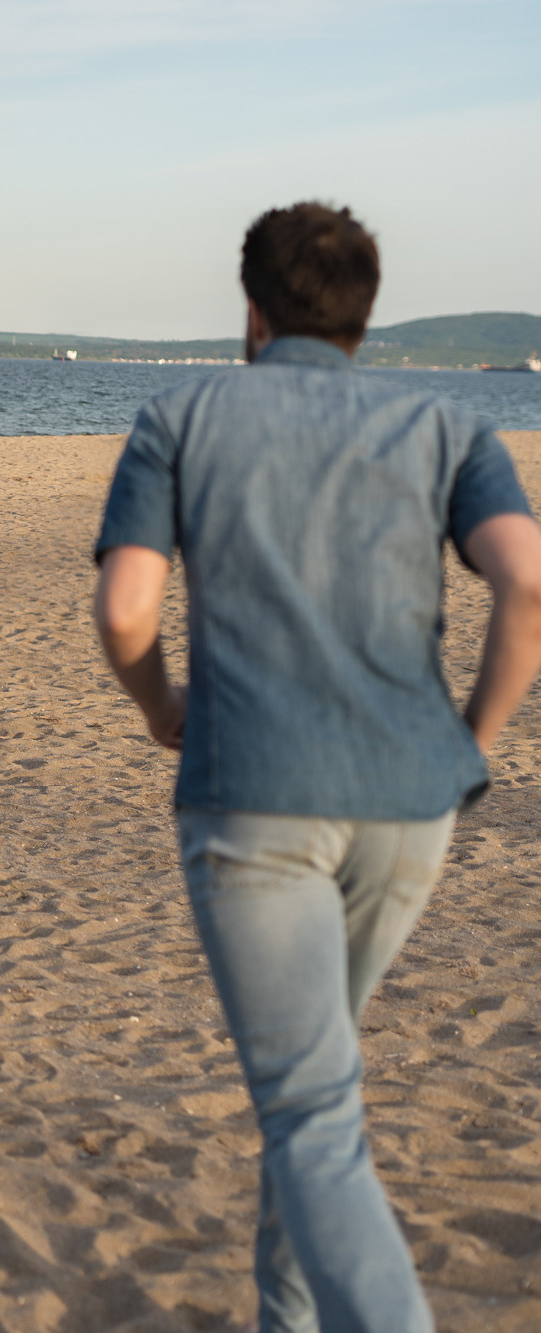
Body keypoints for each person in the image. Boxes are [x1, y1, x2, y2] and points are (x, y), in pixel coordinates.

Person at [93, 202, 541, 1333]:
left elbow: (125, 609)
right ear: (362, 315)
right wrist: (467, 746)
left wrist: (160, 712)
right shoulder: (444, 421)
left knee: (309, 1116)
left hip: (253, 798)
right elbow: (526, 584)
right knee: (313, 1098)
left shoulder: (182, 413)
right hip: (407, 806)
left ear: (251, 309)